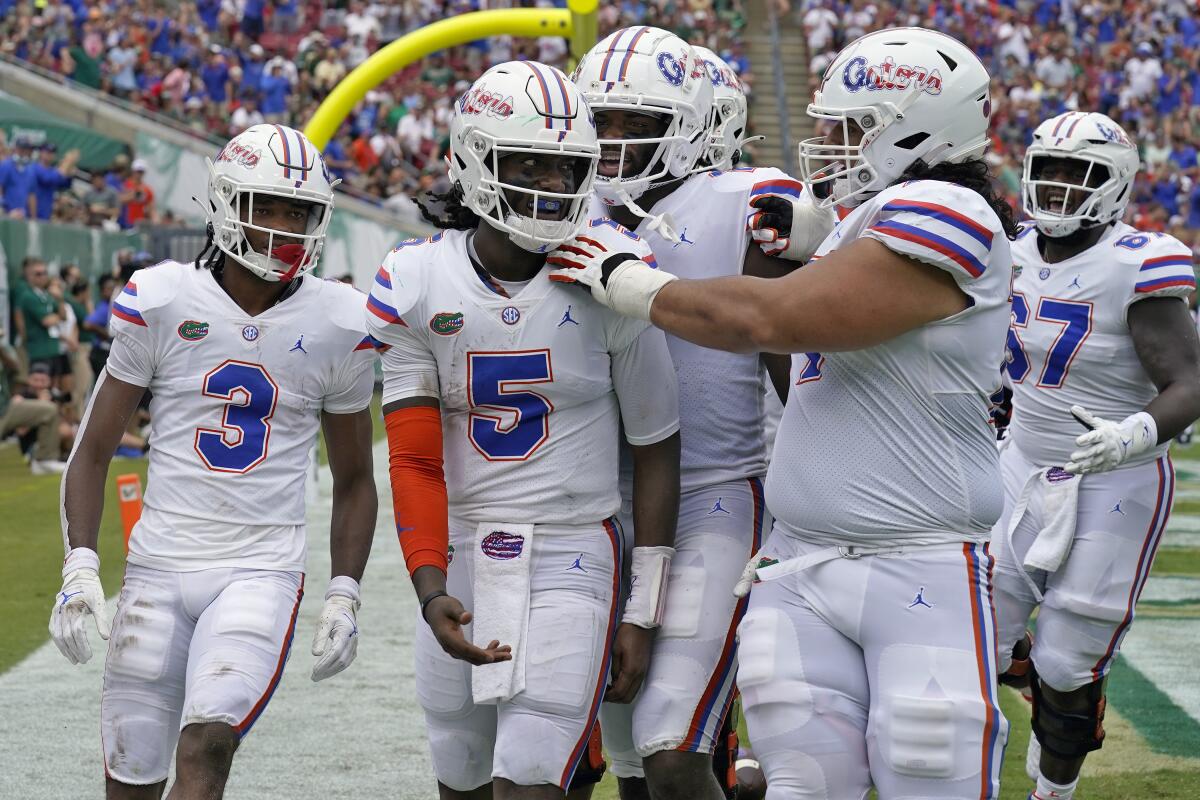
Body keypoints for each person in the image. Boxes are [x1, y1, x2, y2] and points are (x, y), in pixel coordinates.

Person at [551, 27, 1017, 799]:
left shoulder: (947, 208)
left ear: (917, 129)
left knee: (931, 777)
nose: (826, 144)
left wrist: (634, 284)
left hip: (916, 561)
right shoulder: (857, 219)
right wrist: (820, 243)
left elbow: (773, 324)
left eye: (849, 129)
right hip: (800, 564)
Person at [365, 61, 682, 798]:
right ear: (473, 160)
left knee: (531, 779)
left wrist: (644, 606)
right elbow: (414, 462)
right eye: (527, 161)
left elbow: (657, 447)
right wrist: (429, 584)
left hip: (573, 547)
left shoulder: (611, 272)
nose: (547, 182)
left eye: (564, 165)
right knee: (461, 775)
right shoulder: (418, 280)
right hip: (464, 549)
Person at [49, 124, 380, 799]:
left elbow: (353, 479)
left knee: (210, 740)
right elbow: (93, 452)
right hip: (159, 563)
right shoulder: (166, 298)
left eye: (300, 211)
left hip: (261, 565)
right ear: (228, 203)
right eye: (269, 207)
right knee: (132, 775)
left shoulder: (340, 319)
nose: (287, 227)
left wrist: (344, 589)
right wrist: (80, 565)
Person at [568, 26, 832, 800]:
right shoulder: (561, 201)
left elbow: (793, 356)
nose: (610, 143)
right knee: (629, 757)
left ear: (684, 128)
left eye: (632, 123)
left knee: (670, 746)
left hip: (716, 492)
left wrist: (804, 226)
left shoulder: (740, 203)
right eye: (600, 122)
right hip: (596, 503)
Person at [992, 111, 1200, 800]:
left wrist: (1132, 433)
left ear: (1113, 185)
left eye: (1074, 174)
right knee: (970, 634)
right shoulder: (1008, 250)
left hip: (1118, 474)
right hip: (1020, 461)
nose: (1055, 187)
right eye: (1046, 170)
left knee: (1068, 660)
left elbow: (1191, 379)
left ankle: (1054, 791)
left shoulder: (1137, 262)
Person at [30, 142, 80, 221]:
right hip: (32, 213)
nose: (50, 155)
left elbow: (64, 185)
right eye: (47, 152)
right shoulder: (34, 167)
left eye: (52, 152)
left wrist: (70, 173)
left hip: (46, 214)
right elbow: (47, 179)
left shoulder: (52, 170)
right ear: (41, 153)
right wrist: (67, 163)